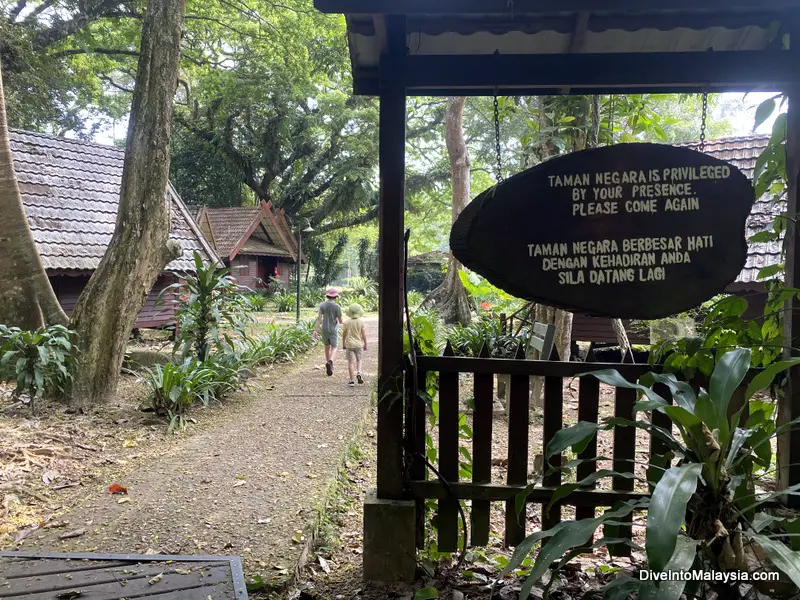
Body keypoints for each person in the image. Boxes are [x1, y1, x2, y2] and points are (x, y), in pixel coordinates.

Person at [313, 288, 343, 376]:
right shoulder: (337, 307)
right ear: (336, 297)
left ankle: (327, 362)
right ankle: (330, 362)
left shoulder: (322, 305)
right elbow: (340, 321)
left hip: (324, 329)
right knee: (334, 347)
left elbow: (319, 319)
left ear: (327, 296)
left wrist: (315, 330)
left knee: (326, 346)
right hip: (333, 330)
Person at [342, 303, 367, 386]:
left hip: (349, 345)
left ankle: (352, 380)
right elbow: (363, 334)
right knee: (359, 360)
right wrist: (365, 344)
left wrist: (343, 344)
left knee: (350, 362)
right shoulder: (361, 322)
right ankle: (359, 373)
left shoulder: (347, 323)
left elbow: (344, 334)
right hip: (358, 344)